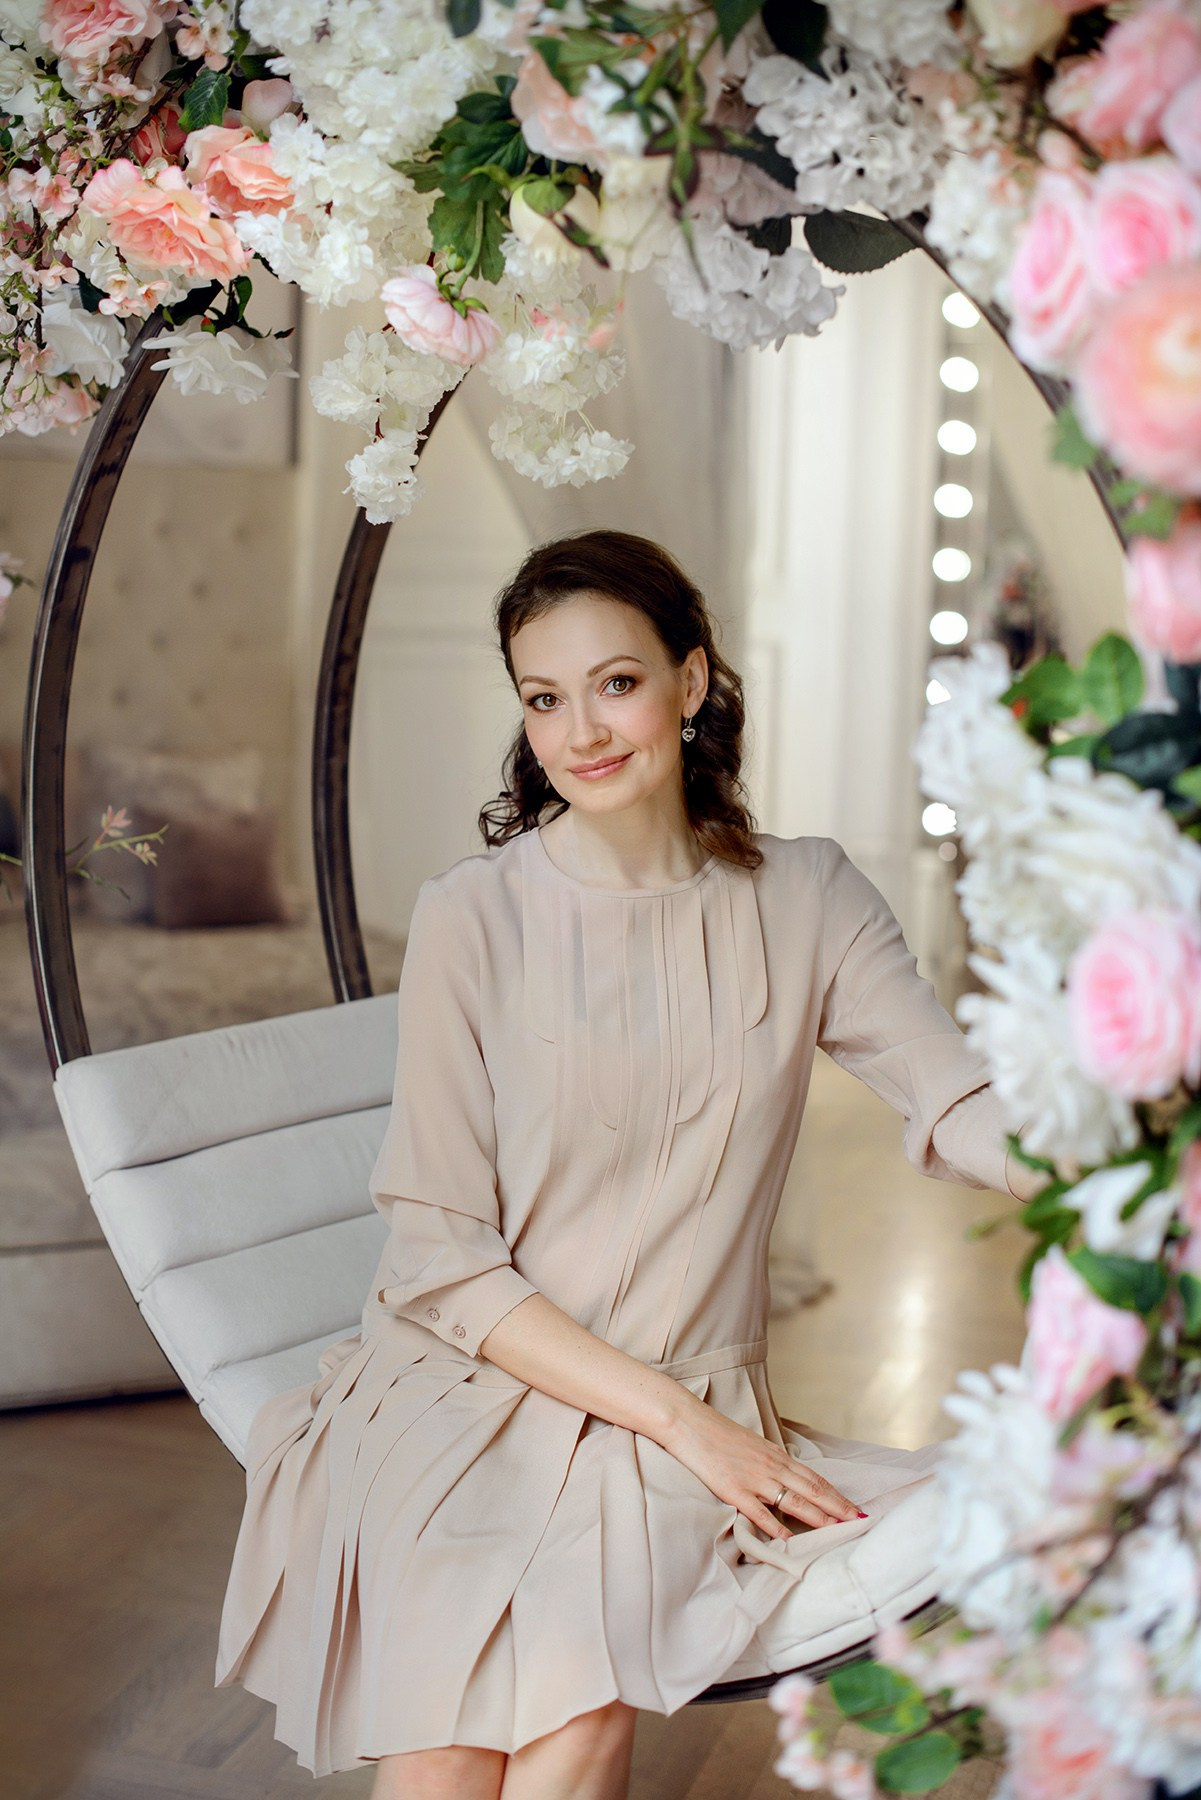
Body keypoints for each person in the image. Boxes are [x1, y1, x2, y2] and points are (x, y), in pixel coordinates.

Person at [214, 529, 1039, 1799]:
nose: (581, 732)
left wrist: (1124, 1163)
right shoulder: (470, 916)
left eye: (615, 682)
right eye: (543, 698)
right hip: (467, 1383)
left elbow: (960, 1098)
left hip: (675, 1412)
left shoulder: (807, 898)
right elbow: (439, 1255)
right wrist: (685, 1428)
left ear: (691, 681)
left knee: (575, 1712)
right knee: (447, 1735)